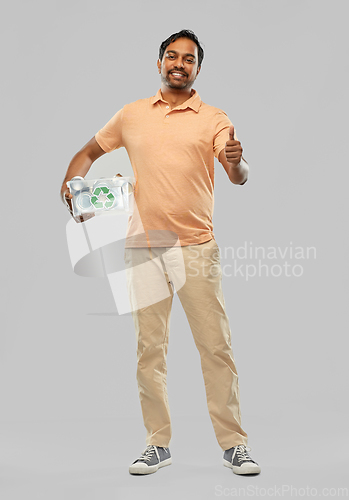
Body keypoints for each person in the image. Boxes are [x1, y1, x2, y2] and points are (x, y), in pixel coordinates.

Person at [60, 29, 261, 476]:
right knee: (150, 351)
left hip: (196, 251)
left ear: (197, 69)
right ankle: (157, 444)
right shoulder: (131, 115)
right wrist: (70, 185)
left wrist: (235, 159)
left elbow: (239, 175)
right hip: (144, 250)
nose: (179, 64)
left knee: (216, 349)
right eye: (172, 56)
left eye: (189, 59)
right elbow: (89, 151)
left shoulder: (213, 118)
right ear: (159, 63)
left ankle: (234, 445)